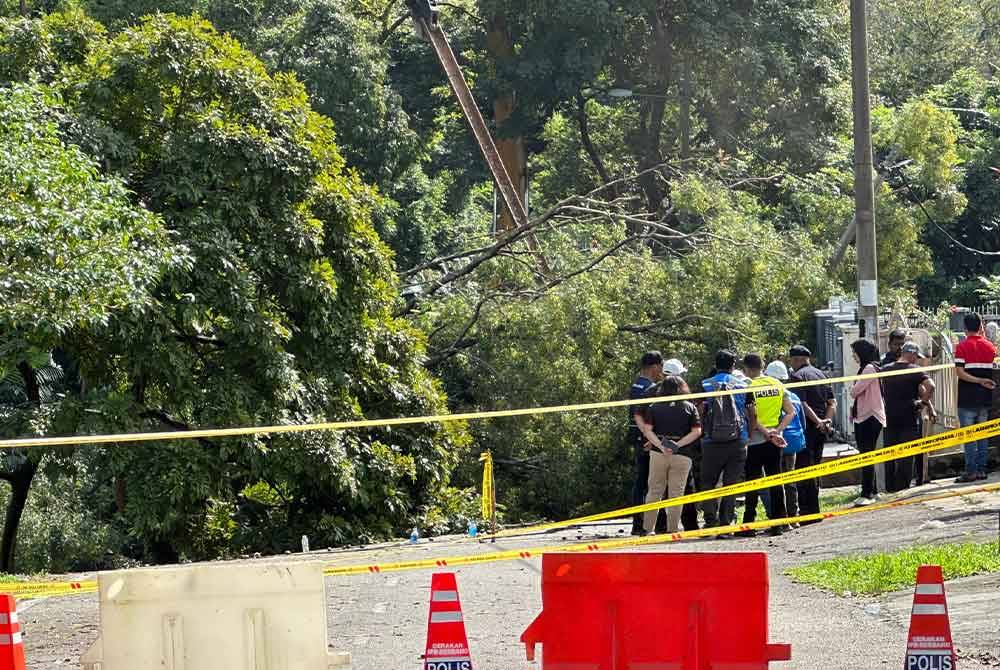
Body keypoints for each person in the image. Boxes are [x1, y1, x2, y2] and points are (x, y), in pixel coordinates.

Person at [635, 376, 702, 534]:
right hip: (683, 454)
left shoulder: (654, 406)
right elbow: (697, 431)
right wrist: (677, 445)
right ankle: (673, 530)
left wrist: (660, 445)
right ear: (681, 388)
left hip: (658, 454)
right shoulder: (690, 407)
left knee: (654, 491)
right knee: (676, 493)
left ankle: (647, 529)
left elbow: (647, 430)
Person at [738, 354, 794, 537]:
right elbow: (790, 412)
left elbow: (752, 416)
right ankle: (778, 524)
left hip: (755, 440)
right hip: (775, 441)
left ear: (747, 368)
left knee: (753, 483)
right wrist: (777, 431)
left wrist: (766, 433)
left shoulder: (749, 386)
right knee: (775, 481)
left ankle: (748, 525)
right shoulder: (777, 384)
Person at [699, 350, 756, 531]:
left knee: (708, 482)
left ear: (715, 364)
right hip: (738, 439)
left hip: (711, 440)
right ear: (733, 366)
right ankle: (726, 522)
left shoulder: (705, 384)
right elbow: (752, 413)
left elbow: (699, 411)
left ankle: (710, 520)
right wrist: (749, 435)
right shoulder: (743, 384)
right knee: (731, 484)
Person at [789, 345, 836, 521]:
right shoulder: (822, 374)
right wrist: (826, 422)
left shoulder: (797, 377)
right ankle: (814, 509)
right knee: (815, 467)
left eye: (792, 361)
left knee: (804, 470)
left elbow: (801, 404)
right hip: (821, 431)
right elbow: (832, 402)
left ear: (796, 359)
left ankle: (808, 512)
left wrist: (817, 422)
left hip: (807, 429)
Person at [882, 342, 936, 491]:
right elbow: (931, 386)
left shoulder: (885, 369)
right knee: (906, 455)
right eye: (916, 356)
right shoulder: (915, 370)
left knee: (889, 454)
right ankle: (901, 488)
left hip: (889, 417)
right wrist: (923, 403)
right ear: (911, 354)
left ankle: (889, 488)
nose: (916, 359)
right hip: (910, 417)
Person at [954, 313, 997, 482]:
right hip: (985, 398)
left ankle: (971, 471)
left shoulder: (962, 347)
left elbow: (960, 373)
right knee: (982, 435)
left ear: (964, 328)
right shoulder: (990, 347)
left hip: (967, 399)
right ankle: (981, 470)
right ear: (980, 327)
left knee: (969, 437)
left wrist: (978, 380)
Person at [766, 360, 806, 525]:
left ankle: (781, 518)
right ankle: (793, 516)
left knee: (777, 480)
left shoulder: (769, 397)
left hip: (775, 440)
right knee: (790, 479)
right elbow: (802, 421)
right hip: (793, 441)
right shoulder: (794, 397)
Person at [629, 351, 665, 535]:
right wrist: (651, 439)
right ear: (655, 366)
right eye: (661, 366)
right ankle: (646, 524)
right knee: (650, 482)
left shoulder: (636, 384)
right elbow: (646, 416)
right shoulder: (649, 388)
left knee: (642, 482)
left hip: (638, 437)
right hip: (646, 439)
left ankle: (639, 523)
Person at [849, 339, 886, 506]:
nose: (853, 356)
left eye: (855, 352)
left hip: (869, 416)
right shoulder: (871, 367)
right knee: (868, 453)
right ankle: (873, 490)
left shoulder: (869, 368)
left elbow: (855, 391)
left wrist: (853, 388)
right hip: (866, 415)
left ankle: (867, 493)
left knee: (866, 455)